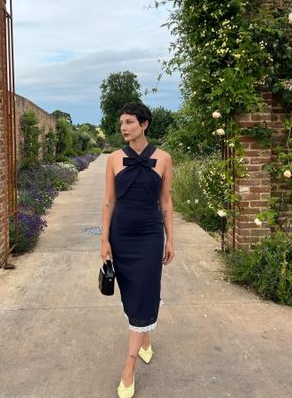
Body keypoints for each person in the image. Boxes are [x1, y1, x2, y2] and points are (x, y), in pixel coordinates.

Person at [100, 102, 174, 398]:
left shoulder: (165, 158)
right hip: (121, 236)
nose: (123, 127)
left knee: (145, 290)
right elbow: (108, 202)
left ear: (144, 124)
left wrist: (171, 240)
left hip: (150, 236)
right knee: (131, 295)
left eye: (129, 122)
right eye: (122, 123)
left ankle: (128, 368)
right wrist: (104, 240)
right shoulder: (115, 159)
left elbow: (166, 203)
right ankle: (143, 336)